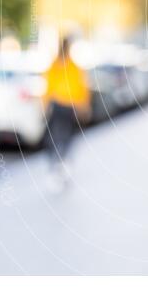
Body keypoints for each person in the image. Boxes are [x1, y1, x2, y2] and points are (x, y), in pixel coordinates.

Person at [42, 35, 91, 190]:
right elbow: (81, 87)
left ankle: (59, 164)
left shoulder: (57, 66)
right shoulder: (70, 66)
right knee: (64, 137)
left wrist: (45, 105)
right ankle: (61, 164)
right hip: (67, 105)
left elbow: (48, 87)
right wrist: (84, 105)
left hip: (60, 105)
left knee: (57, 137)